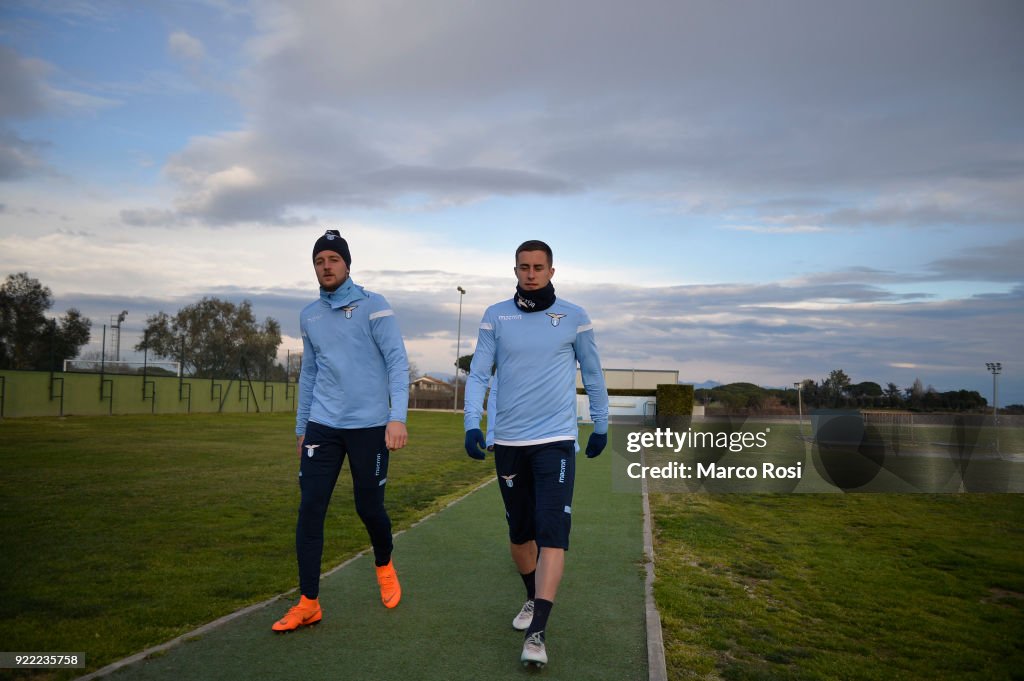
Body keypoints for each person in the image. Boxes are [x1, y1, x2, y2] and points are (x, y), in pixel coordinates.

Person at [463, 239, 609, 667]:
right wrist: (473, 422)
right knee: (520, 535)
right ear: (515, 270)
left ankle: (538, 633)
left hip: (555, 440)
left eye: (538, 267)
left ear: (551, 271)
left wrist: (601, 423)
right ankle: (531, 598)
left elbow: (594, 373)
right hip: (508, 441)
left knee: (552, 533)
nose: (531, 273)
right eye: (524, 267)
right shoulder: (496, 316)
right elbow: (478, 373)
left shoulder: (574, 318)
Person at [273, 229, 410, 632]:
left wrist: (396, 416)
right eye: (319, 261)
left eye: (333, 259)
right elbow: (310, 372)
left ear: (347, 264)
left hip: (369, 426)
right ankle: (308, 602)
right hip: (323, 425)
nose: (326, 266)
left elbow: (397, 363)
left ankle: (384, 563)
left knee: (369, 508)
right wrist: (303, 427)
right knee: (310, 508)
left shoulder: (375, 307)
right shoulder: (310, 315)